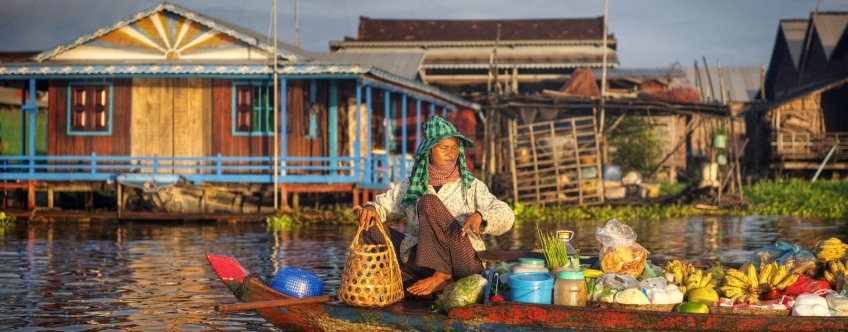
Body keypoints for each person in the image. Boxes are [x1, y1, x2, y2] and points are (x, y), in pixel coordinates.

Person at [357, 116, 514, 296]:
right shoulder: (411, 185)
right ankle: (422, 282)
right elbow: (383, 206)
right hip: (425, 263)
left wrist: (481, 216)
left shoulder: (471, 186)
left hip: (463, 262)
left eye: (455, 148)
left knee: (428, 202)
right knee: (369, 227)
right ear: (430, 151)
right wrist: (371, 209)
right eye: (444, 148)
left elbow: (506, 214)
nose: (451, 153)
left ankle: (443, 277)